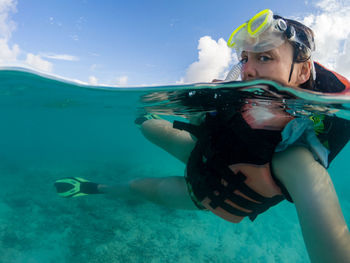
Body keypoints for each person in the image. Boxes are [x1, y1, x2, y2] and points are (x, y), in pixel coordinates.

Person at [54, 10, 350, 262]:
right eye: (245, 58)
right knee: (149, 128)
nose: (248, 70)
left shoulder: (295, 159)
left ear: (302, 72)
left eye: (265, 57)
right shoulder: (243, 92)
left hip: (209, 192)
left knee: (142, 187)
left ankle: (95, 188)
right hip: (205, 152)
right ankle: (144, 119)